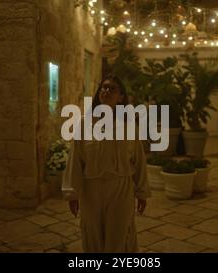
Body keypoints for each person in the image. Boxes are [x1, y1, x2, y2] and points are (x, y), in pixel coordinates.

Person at [62, 75, 151, 253]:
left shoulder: (128, 126)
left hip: (121, 188)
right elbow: (76, 160)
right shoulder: (85, 125)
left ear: (121, 97)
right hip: (91, 190)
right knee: (92, 235)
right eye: (104, 87)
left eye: (112, 89)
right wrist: (72, 193)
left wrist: (142, 192)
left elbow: (139, 161)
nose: (107, 91)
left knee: (119, 236)